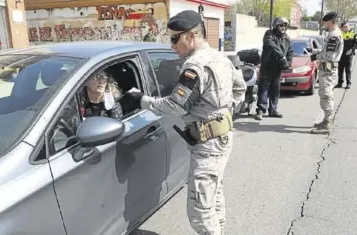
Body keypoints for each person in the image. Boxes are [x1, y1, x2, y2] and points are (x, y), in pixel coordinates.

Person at [123, 10, 246, 235]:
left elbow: (175, 105)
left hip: (208, 146)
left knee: (200, 213)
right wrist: (222, 114)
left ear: (191, 36)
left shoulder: (194, 67)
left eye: (174, 39)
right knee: (214, 196)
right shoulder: (220, 57)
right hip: (221, 138)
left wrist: (141, 100)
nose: (171, 46)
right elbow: (240, 88)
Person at [307, 12, 343, 135]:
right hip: (326, 69)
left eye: (325, 23)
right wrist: (315, 51)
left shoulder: (334, 36)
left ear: (330, 22)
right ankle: (325, 120)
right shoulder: (332, 35)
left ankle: (327, 123)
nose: (324, 25)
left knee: (326, 95)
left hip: (328, 70)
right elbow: (326, 51)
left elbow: (329, 55)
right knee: (324, 94)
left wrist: (314, 56)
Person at [255, 17, 293, 120]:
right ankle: (261, 110)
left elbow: (290, 52)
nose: (283, 27)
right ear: (276, 26)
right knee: (264, 88)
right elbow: (271, 45)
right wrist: (282, 56)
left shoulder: (286, 38)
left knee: (275, 89)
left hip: (278, 68)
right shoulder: (269, 34)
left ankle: (273, 110)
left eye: (285, 25)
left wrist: (288, 63)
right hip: (267, 66)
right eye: (281, 25)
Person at [336, 22, 357, 89]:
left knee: (347, 70)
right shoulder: (340, 34)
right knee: (340, 69)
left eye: (346, 26)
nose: (345, 28)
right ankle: (340, 83)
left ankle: (348, 83)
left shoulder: (354, 33)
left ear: (349, 26)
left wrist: (351, 50)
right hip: (341, 54)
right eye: (344, 27)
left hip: (349, 54)